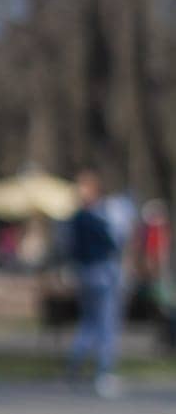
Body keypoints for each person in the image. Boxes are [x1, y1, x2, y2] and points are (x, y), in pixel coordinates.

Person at [64, 165, 136, 396]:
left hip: (84, 273)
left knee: (88, 321)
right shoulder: (95, 218)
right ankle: (103, 371)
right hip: (103, 273)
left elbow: (69, 248)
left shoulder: (75, 219)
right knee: (106, 323)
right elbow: (112, 244)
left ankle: (75, 363)